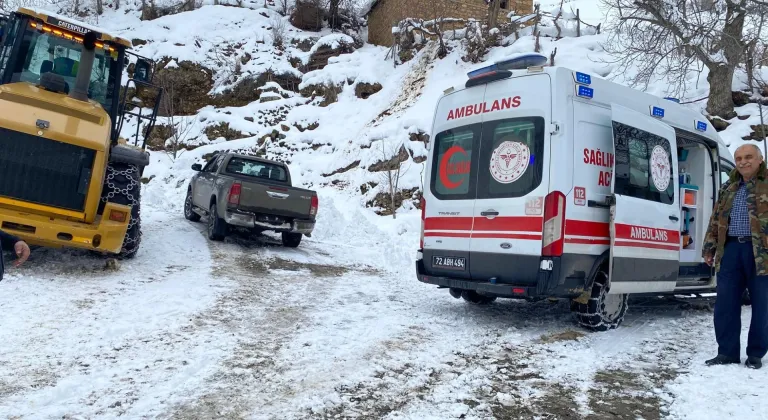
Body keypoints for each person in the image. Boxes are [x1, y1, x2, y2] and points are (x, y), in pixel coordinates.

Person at [702, 143, 768, 369]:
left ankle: (756, 354)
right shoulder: (729, 187)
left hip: (762, 253)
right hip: (730, 250)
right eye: (739, 158)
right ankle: (727, 352)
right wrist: (709, 247)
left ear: (760, 159)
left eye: (748, 157)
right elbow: (716, 219)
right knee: (725, 303)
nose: (742, 162)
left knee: (762, 304)